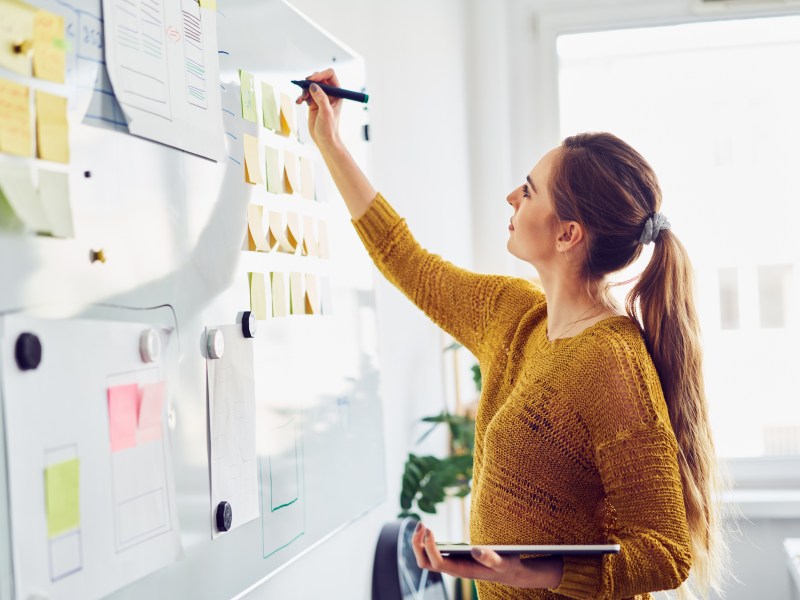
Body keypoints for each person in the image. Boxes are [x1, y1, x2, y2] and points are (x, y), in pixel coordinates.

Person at [297, 69, 726, 600]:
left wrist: (530, 570)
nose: (510, 197)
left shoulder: (612, 362)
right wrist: (331, 143)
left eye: (528, 191)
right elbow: (406, 259)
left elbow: (665, 551)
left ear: (568, 234)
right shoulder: (515, 314)